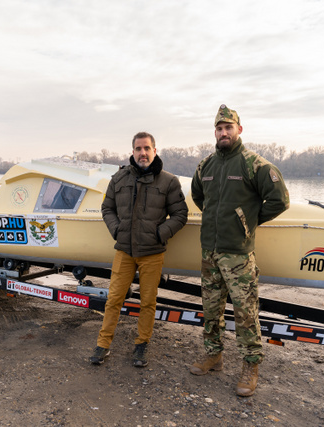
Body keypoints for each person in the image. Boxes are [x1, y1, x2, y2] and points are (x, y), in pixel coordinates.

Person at [189, 105, 289, 396]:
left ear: (239, 130)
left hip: (238, 255)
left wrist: (247, 222)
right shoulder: (205, 166)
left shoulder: (255, 165)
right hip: (210, 251)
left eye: (228, 127)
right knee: (210, 310)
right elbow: (199, 196)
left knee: (245, 313)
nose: (223, 133)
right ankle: (213, 355)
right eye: (219, 128)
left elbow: (280, 201)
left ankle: (251, 365)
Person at [90, 131, 188, 367]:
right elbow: (107, 209)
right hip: (124, 250)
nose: (142, 153)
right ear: (132, 152)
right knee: (114, 299)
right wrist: (117, 230)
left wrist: (159, 234)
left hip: (152, 253)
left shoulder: (168, 181)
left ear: (155, 151)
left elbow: (180, 214)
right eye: (138, 149)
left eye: (147, 148)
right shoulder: (119, 178)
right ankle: (103, 345)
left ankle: (141, 345)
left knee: (147, 302)